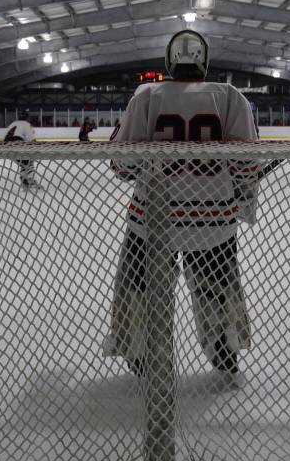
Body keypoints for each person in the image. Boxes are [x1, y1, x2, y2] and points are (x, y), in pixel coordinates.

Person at [104, 30, 259, 378]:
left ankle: (139, 352)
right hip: (214, 220)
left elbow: (121, 164)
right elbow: (247, 164)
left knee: (139, 288)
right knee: (217, 287)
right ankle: (225, 348)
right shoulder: (230, 96)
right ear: (204, 61)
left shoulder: (146, 95)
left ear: (169, 61)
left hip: (153, 217)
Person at [3, 111, 37, 187]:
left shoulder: (13, 123)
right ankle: (30, 181)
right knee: (29, 160)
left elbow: (5, 137)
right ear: (27, 118)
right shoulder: (26, 124)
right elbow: (31, 139)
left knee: (24, 163)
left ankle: (24, 180)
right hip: (17, 144)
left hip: (7, 147)